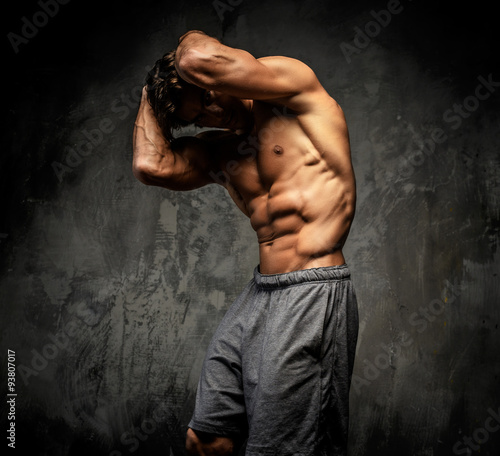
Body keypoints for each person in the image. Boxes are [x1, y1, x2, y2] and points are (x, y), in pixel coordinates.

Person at [133, 30, 359, 456]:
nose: (212, 116)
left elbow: (196, 58)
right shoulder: (221, 152)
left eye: (208, 100)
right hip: (260, 294)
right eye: (199, 118)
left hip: (312, 289)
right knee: (207, 438)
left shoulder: (293, 90)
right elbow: (150, 165)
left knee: (280, 448)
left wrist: (180, 70)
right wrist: (151, 92)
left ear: (223, 77)